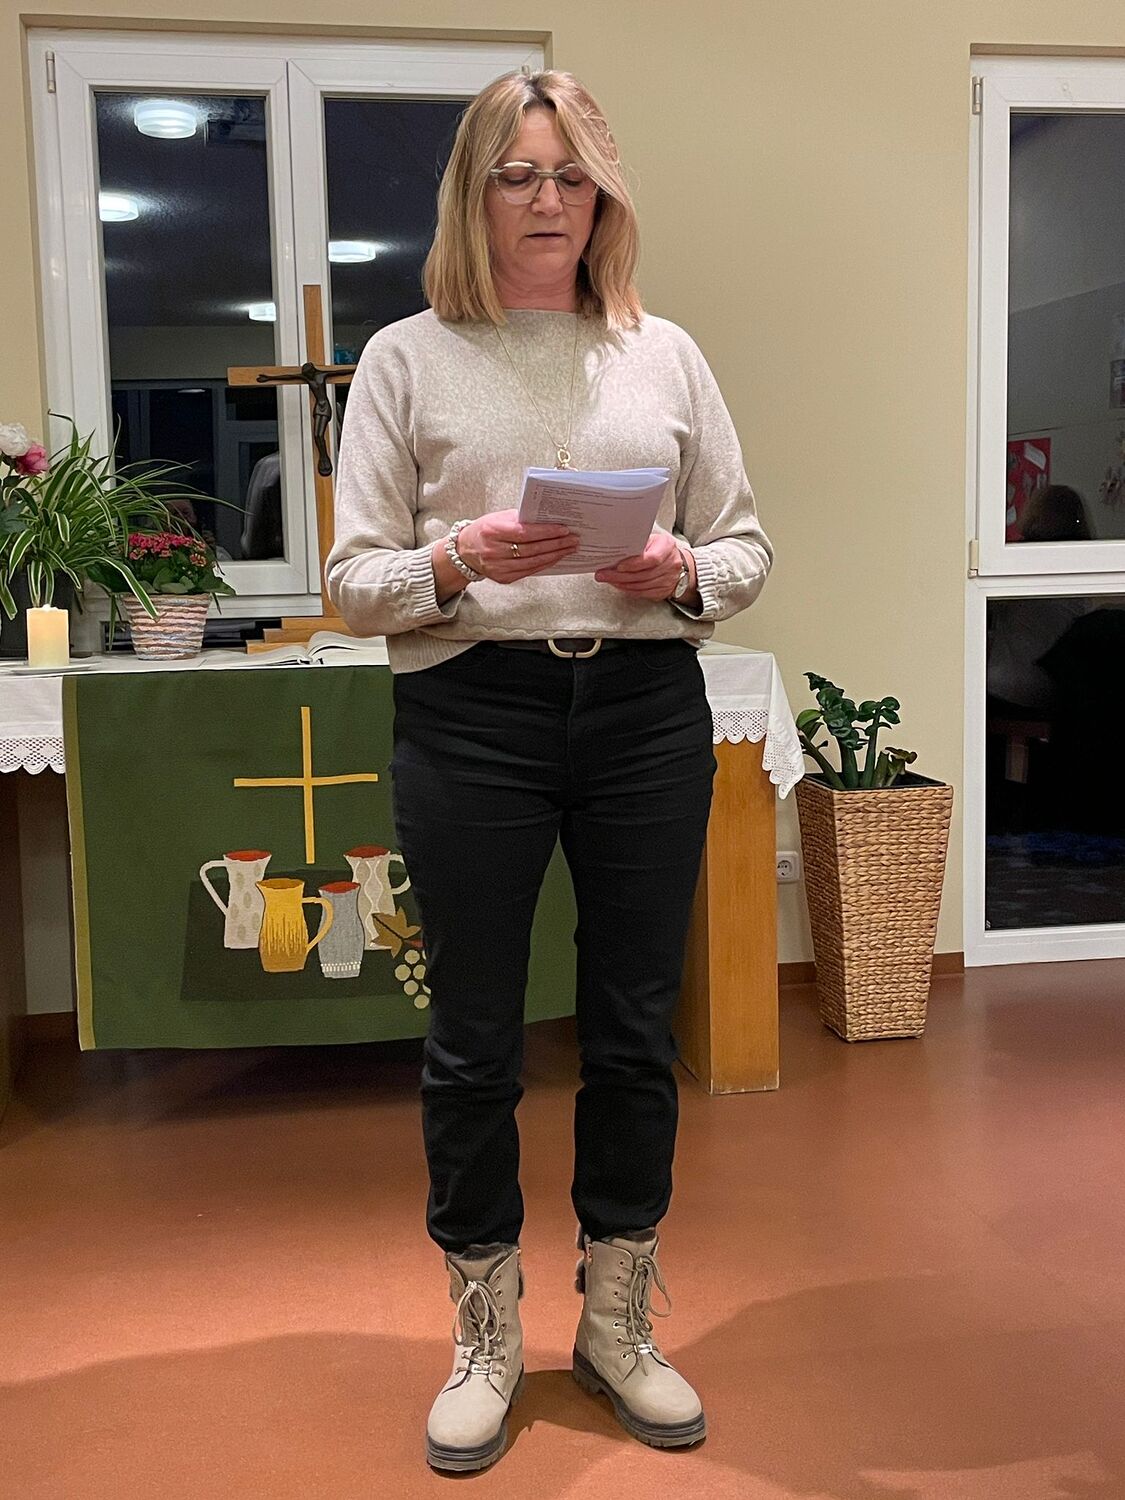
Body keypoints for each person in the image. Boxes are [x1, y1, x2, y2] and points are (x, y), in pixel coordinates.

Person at [326, 68, 773, 1474]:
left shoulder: (664, 353)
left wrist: (680, 569)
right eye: (517, 174)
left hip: (641, 705)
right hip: (473, 710)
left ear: (603, 196)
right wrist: (456, 558)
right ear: (473, 192)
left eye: (570, 174)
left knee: (633, 1029)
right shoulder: (406, 357)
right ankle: (484, 1330)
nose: (545, 199)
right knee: (474, 1035)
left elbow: (746, 550)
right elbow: (351, 582)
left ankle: (615, 1322)